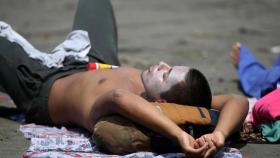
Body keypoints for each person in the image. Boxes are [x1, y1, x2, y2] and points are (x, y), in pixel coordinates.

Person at [0, 0, 248, 157]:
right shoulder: (175, 104)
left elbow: (118, 96)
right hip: (92, 57)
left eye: (166, 74)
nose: (161, 64)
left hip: (42, 82)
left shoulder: (129, 108)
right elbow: (237, 100)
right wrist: (220, 135)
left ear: (162, 102)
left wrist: (179, 135)